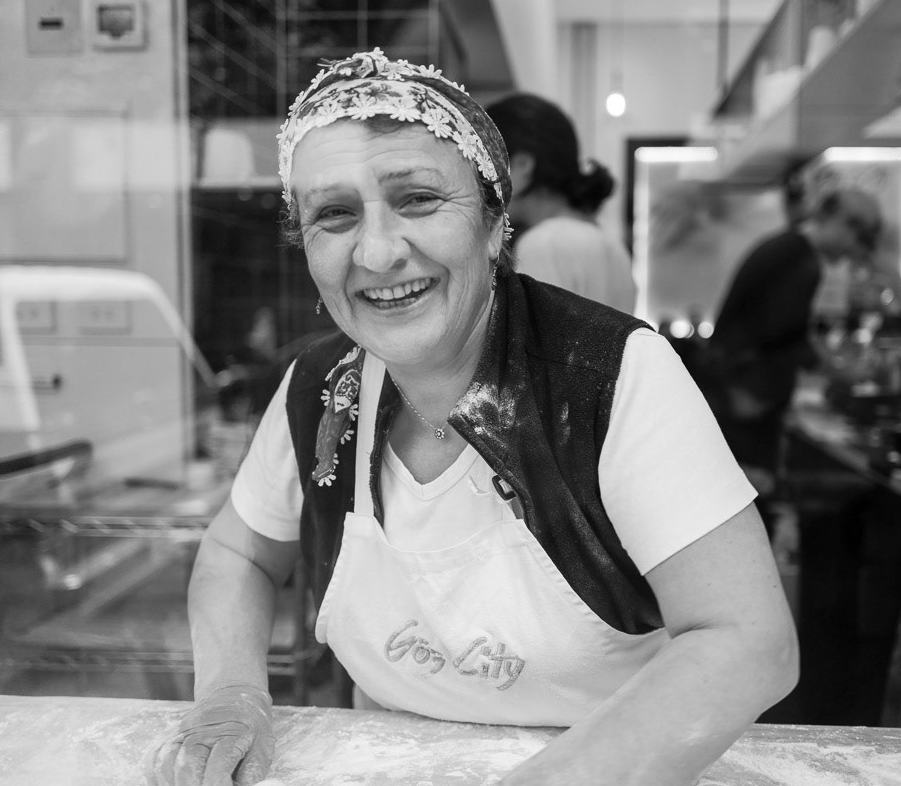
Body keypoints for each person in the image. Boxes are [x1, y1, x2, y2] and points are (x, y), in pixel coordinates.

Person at [148, 49, 797, 786]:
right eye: (334, 214)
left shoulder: (610, 376)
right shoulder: (320, 389)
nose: (378, 252)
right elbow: (238, 556)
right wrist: (231, 695)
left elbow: (748, 639)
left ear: (495, 224)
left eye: (419, 199)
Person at [698, 189, 883, 493]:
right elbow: (784, 336)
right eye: (858, 238)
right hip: (745, 400)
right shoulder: (800, 260)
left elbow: (787, 331)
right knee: (746, 494)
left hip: (738, 395)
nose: (853, 250)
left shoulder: (788, 249)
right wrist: (841, 372)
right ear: (840, 222)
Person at [485, 93, 637, 313]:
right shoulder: (613, 245)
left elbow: (538, 334)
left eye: (488, 166)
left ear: (522, 165)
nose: (484, 182)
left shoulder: (542, 244)